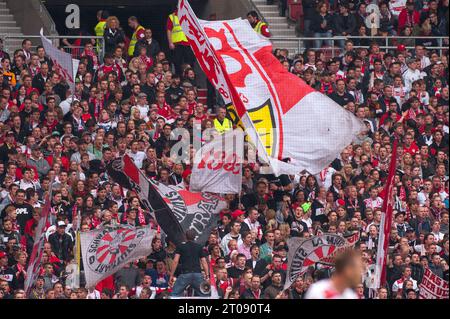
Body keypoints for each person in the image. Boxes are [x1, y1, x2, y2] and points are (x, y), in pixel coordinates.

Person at [170, 230, 210, 297]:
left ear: (185, 237)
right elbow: (204, 261)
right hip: (197, 274)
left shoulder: (181, 246)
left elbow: (175, 261)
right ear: (195, 237)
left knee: (175, 295)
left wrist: (171, 275)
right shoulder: (199, 247)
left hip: (185, 274)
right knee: (205, 295)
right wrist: (207, 275)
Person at [167, 9, 195, 74]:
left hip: (187, 43)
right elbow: (169, 30)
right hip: (177, 43)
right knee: (177, 63)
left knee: (190, 63)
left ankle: (189, 79)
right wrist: (170, 42)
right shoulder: (172, 16)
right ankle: (179, 79)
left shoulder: (187, 15)